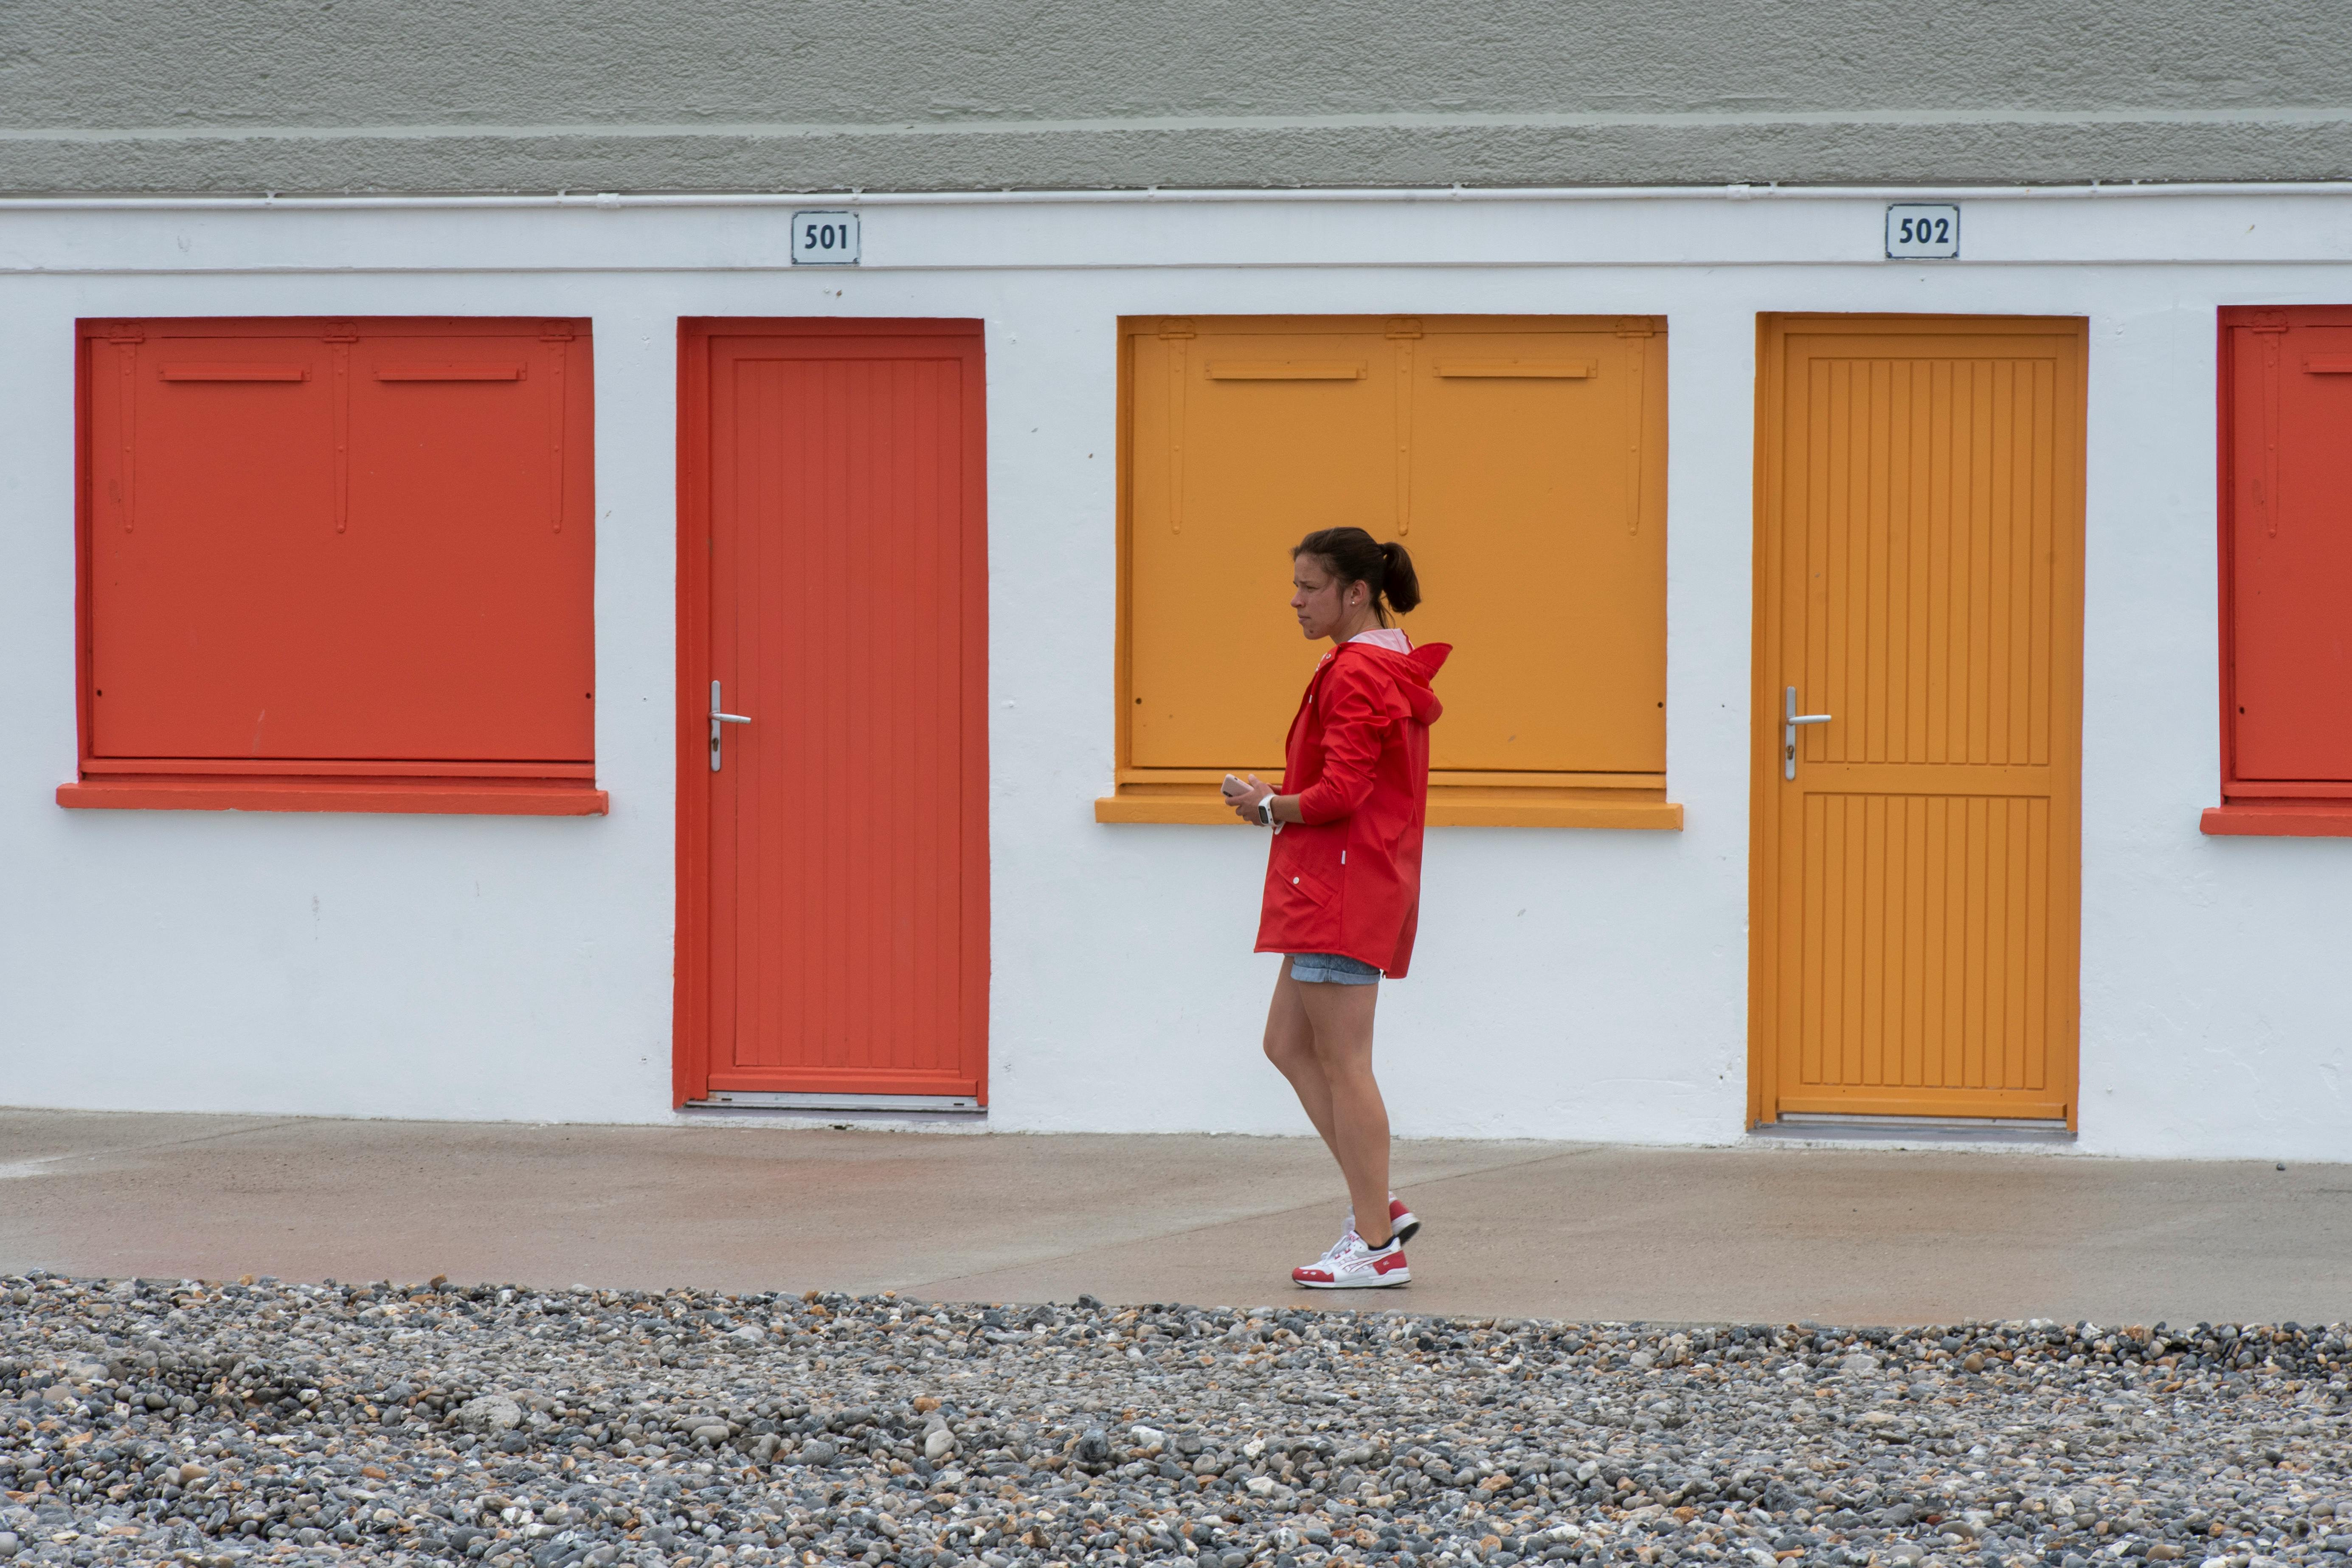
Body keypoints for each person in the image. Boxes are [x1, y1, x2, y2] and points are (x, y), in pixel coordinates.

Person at [1220, 526, 1449, 1289]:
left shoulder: (1357, 672)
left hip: (1340, 886)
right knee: (1286, 1043)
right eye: (1296, 585)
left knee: (1347, 1066)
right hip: (1338, 882)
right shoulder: (1376, 662)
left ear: (1356, 592)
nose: (1295, 599)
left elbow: (1342, 792)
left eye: (1310, 586)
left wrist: (1268, 806)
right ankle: (1373, 1198)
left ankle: (1377, 1244)